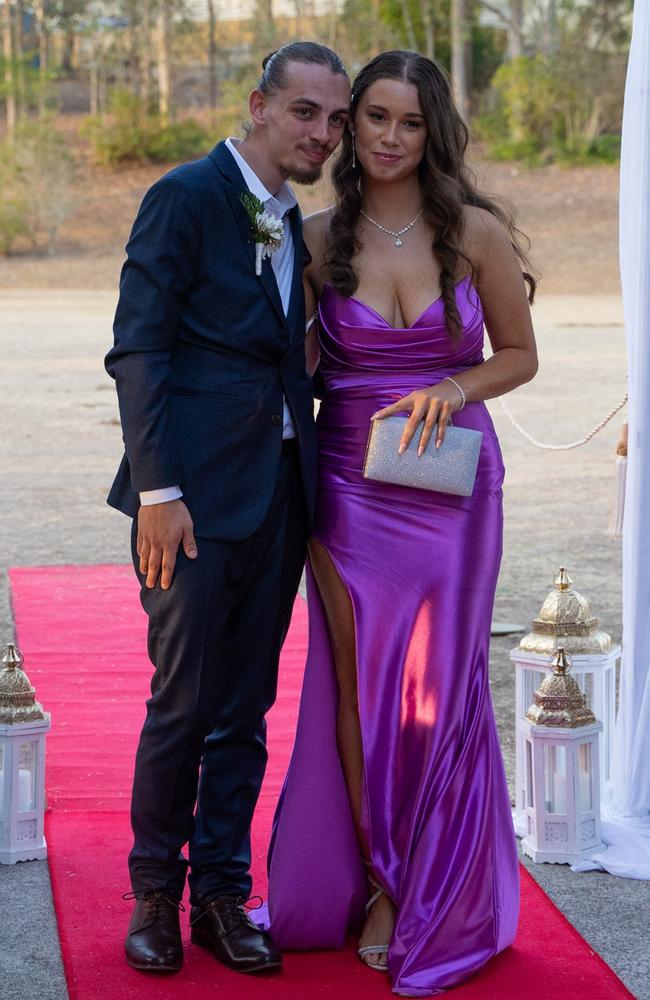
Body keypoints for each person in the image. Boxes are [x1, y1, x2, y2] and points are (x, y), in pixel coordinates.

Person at [267, 49, 538, 996]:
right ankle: (384, 881)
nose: (388, 138)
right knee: (360, 685)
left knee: (442, 684)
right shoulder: (313, 237)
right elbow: (279, 366)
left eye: (409, 122)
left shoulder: (474, 233)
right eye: (372, 118)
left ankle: (443, 880)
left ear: (435, 133)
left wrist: (451, 385)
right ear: (348, 129)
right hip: (346, 484)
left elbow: (520, 357)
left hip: (455, 488)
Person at [104, 41, 350, 975]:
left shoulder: (299, 222)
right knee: (184, 701)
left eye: (334, 120)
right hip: (192, 501)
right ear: (259, 104)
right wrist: (158, 492)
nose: (322, 134)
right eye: (305, 113)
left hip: (284, 494)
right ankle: (153, 895)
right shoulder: (186, 196)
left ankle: (220, 891)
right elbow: (139, 351)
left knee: (246, 705)